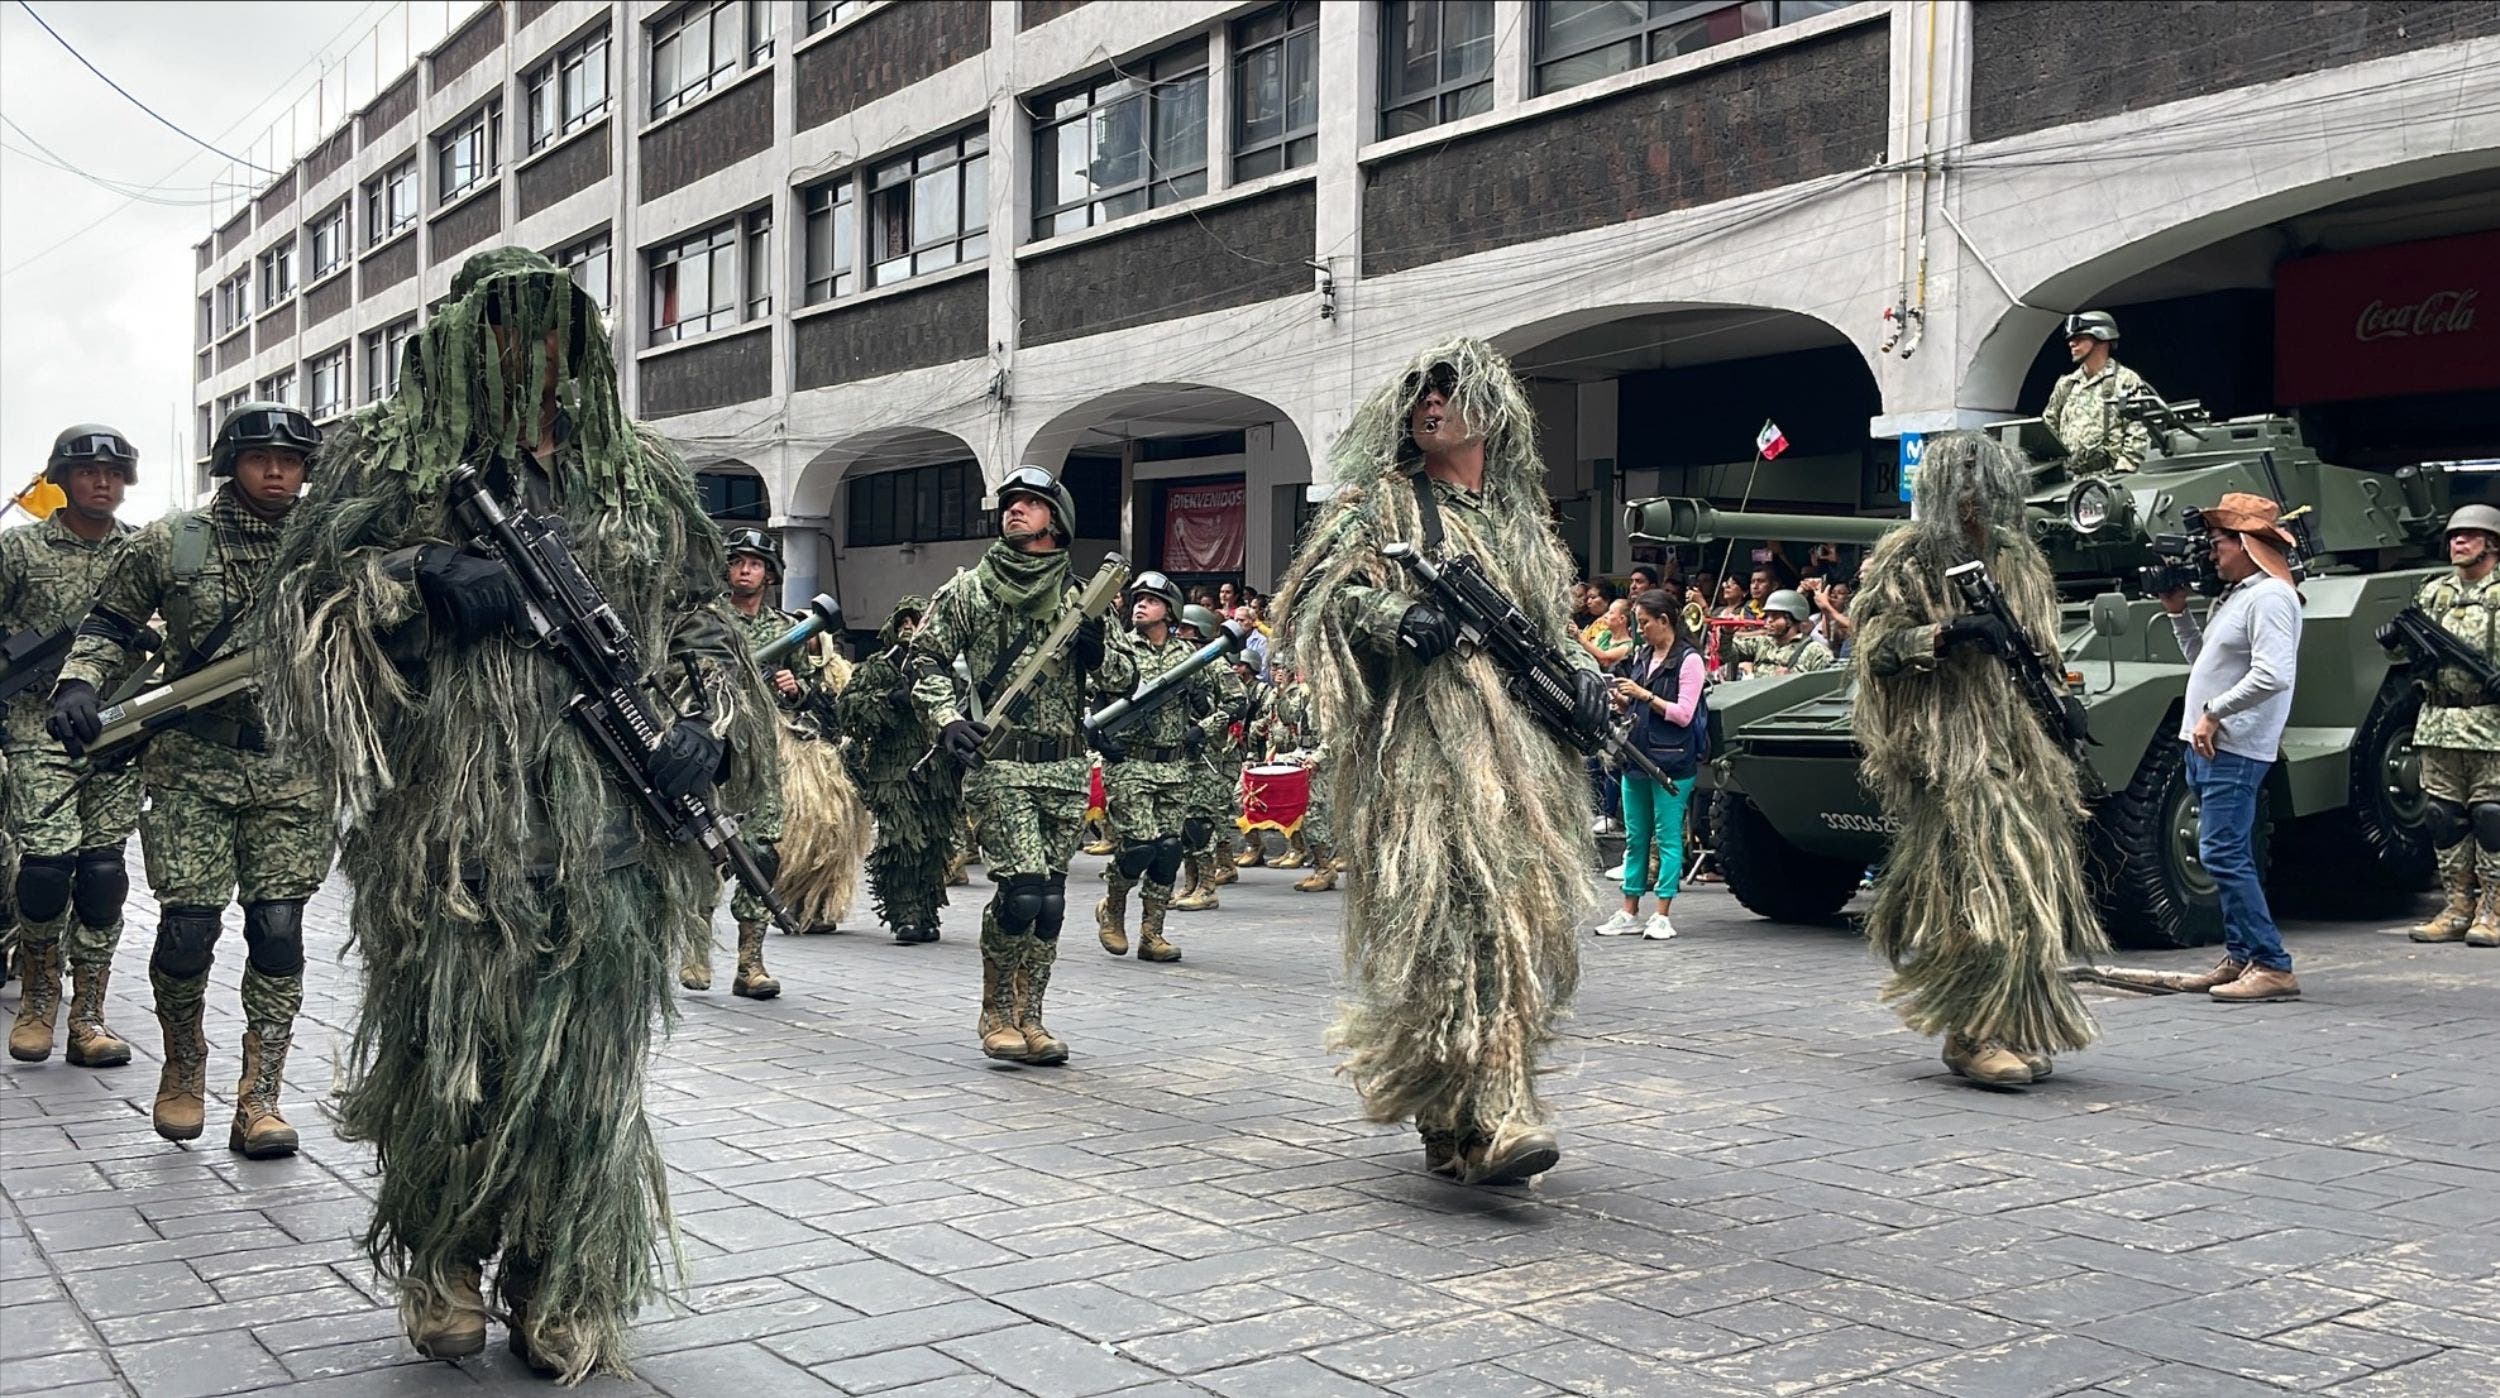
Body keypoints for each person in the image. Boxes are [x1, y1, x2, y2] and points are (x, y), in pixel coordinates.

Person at [258, 247, 779, 1378]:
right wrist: (414, 581)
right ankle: (444, 1262)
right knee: (450, 1064)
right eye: (505, 325)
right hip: (448, 833)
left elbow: (700, 616)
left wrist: (711, 723)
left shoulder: (635, 472)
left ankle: (559, 1271)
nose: (531, 350)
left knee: (583, 1076)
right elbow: (297, 611)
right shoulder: (386, 462)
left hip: (607, 833)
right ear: (460, 338)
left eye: (552, 325)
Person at [1277, 337, 1603, 1186]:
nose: (1433, 400)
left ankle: (1471, 1112)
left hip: (1524, 760)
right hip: (1426, 756)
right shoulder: (1382, 506)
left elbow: (1552, 627)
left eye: (1451, 388)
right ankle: (1484, 1115)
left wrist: (1586, 675)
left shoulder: (1523, 521)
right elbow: (1314, 598)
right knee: (1452, 930)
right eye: (1422, 389)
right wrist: (1396, 618)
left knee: (1514, 923)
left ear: (1492, 410)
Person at [48, 403, 334, 1157]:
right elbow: (109, 625)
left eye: (291, 460)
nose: (277, 472)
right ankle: (183, 1063)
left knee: (278, 929)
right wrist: (79, 684)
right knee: (187, 933)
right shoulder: (175, 540)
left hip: (293, 768)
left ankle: (260, 1097)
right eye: (261, 458)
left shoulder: (333, 543)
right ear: (230, 463)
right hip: (191, 767)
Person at [1851, 431, 2109, 1088]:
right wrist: (1949, 633)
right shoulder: (1910, 557)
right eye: (1964, 492)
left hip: (2022, 746)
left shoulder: (2019, 558)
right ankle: (1972, 1033)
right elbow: (1876, 650)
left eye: (1986, 492)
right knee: (1980, 890)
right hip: (1949, 750)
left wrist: (2064, 700)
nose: (1975, 505)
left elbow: (2043, 645)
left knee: (2032, 890)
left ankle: (2012, 1020)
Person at [910, 465, 1127, 1064]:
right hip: (1001, 764)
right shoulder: (970, 590)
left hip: (1064, 769)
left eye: (1030, 502)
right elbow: (924, 658)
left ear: (1057, 519)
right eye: (1010, 502)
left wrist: (1097, 650)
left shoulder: (1083, 597)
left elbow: (1123, 678)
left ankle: (1032, 1019)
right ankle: (996, 1012)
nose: (1015, 510)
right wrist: (947, 719)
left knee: (1051, 900)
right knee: (1023, 893)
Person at [3, 426, 144, 1069]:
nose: (102, 482)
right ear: (62, 478)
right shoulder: (19, 550)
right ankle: (38, 1001)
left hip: (117, 732)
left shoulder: (142, 551)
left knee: (102, 876)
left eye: (113, 473)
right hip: (36, 731)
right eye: (88, 471)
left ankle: (88, 1016)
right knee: (44, 871)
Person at [2155, 494, 2305, 999]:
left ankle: (2272, 964)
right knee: (2223, 851)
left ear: (2245, 543)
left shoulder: (2270, 598)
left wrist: (2215, 712)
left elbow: (2273, 674)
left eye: (2218, 542)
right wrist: (2179, 615)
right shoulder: (2239, 596)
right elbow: (2206, 662)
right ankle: (2241, 956)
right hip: (2210, 746)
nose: (2210, 552)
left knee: (2221, 852)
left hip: (2234, 746)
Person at [837, 596, 963, 945]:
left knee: (934, 843)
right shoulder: (878, 667)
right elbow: (847, 709)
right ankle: (904, 912)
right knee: (901, 841)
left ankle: (927, 910)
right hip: (892, 770)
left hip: (937, 772)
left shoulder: (942, 667)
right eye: (903, 622)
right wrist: (889, 701)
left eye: (916, 621)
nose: (908, 628)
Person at [1092, 572, 1205, 952]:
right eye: (1138, 599)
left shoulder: (1190, 656)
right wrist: (1096, 735)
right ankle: (1113, 909)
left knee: (1168, 851)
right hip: (1130, 763)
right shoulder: (1120, 649)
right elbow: (1088, 695)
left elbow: (1234, 699)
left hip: (1174, 766)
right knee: (1140, 845)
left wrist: (1203, 726)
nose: (1140, 605)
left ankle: (1151, 933)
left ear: (1170, 612)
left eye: (1152, 600)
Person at [2408, 504, 2500, 948]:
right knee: (2443, 817)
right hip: (2439, 721)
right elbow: (2409, 656)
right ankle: (2457, 907)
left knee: (2491, 818)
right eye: (2453, 536)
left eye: (2469, 535)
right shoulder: (2433, 593)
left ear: (2492, 543)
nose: (2457, 542)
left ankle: (2494, 910)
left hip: (2491, 723)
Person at [1593, 591, 1705, 942]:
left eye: (1644, 623)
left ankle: (1662, 913)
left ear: (1664, 621)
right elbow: (1637, 708)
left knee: (1667, 837)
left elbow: (1683, 714)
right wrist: (1623, 700)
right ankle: (1629, 910)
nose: (1640, 630)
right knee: (1636, 837)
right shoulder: (1643, 654)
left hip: (1672, 760)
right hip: (1636, 757)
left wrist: (1645, 695)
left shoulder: (1689, 660)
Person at [1171, 605, 1247, 909]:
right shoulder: (1177, 662)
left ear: (1200, 631)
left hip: (1209, 756)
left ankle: (1207, 887)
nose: (1179, 633)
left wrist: (1204, 727)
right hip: (1180, 756)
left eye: (1186, 628)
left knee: (1200, 823)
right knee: (1183, 824)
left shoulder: (1214, 664)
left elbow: (1238, 703)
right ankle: (1190, 883)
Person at [2041, 310, 2155, 476]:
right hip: (2069, 479)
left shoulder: (2125, 380)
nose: (2072, 343)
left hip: (2109, 478)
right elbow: (2048, 430)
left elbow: (2137, 428)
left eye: (2080, 338)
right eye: (2071, 339)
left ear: (2102, 338)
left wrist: (2123, 471)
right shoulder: (2066, 385)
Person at [1722, 589, 1835, 677]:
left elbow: (1828, 686)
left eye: (1775, 616)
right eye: (1768, 615)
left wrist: (1794, 680)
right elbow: (1727, 655)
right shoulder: (1762, 642)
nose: (1769, 620)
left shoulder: (1816, 651)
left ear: (1790, 619)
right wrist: (1727, 633)